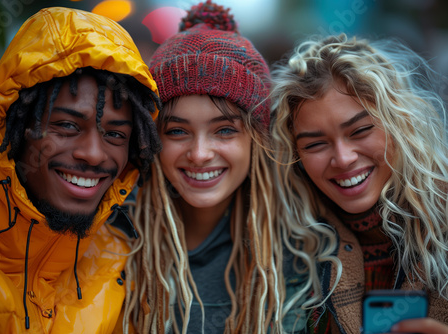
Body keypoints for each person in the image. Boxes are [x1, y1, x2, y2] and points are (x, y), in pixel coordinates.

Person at [120, 1, 338, 333]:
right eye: (177, 131)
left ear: (257, 137)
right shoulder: (114, 238)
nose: (200, 153)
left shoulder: (304, 251)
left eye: (224, 130)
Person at [0, 7, 161, 333]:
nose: (94, 155)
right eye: (67, 125)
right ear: (11, 128)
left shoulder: (126, 269)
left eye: (115, 134)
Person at [270, 34, 448, 333]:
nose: (343, 158)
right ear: (295, 155)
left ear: (400, 124)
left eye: (360, 130)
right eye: (315, 144)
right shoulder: (281, 250)